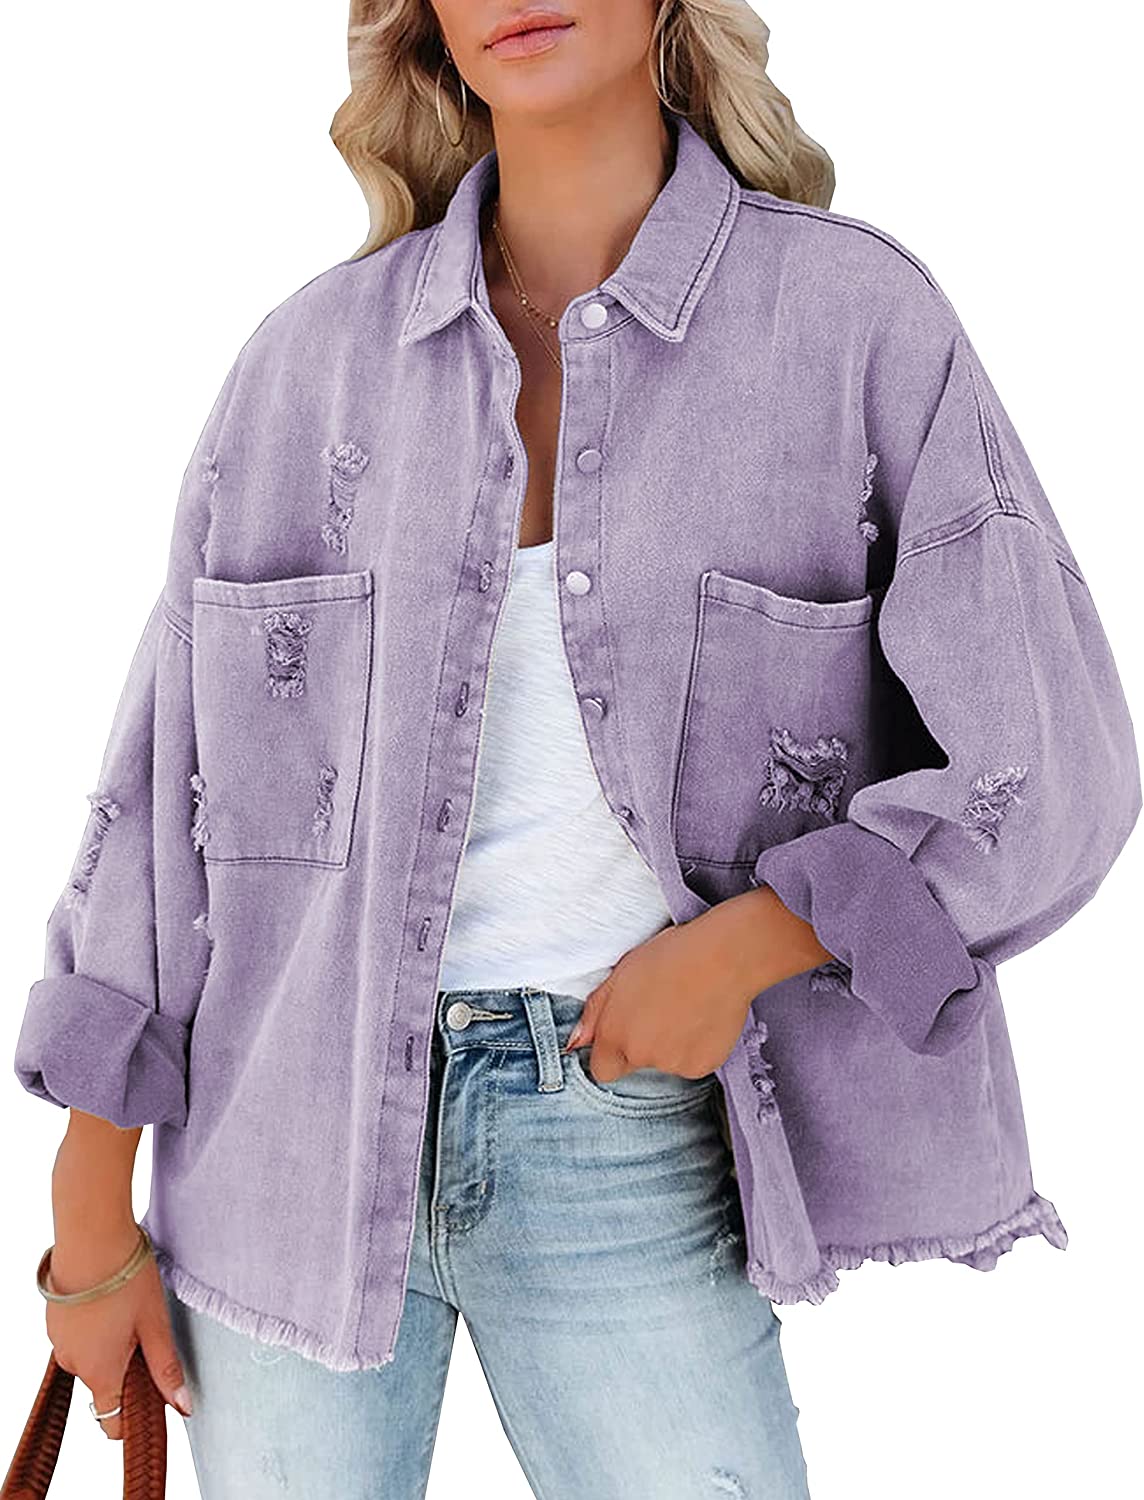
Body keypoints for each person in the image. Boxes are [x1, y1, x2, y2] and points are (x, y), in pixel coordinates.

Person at [14, 2, 1140, 1497]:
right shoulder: (308, 364)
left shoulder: (849, 324)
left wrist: (747, 944)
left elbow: (1048, 758)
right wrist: (90, 1201)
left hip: (629, 1132)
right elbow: (165, 798)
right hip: (278, 1144)